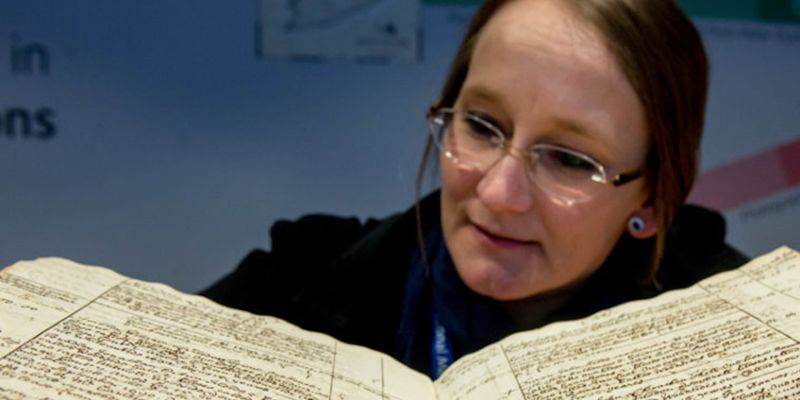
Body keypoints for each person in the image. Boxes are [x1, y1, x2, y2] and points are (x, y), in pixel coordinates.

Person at [201, 0, 747, 378]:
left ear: (650, 201)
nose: (499, 192)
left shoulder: (743, 332)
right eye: (483, 126)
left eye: (568, 160)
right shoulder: (295, 281)